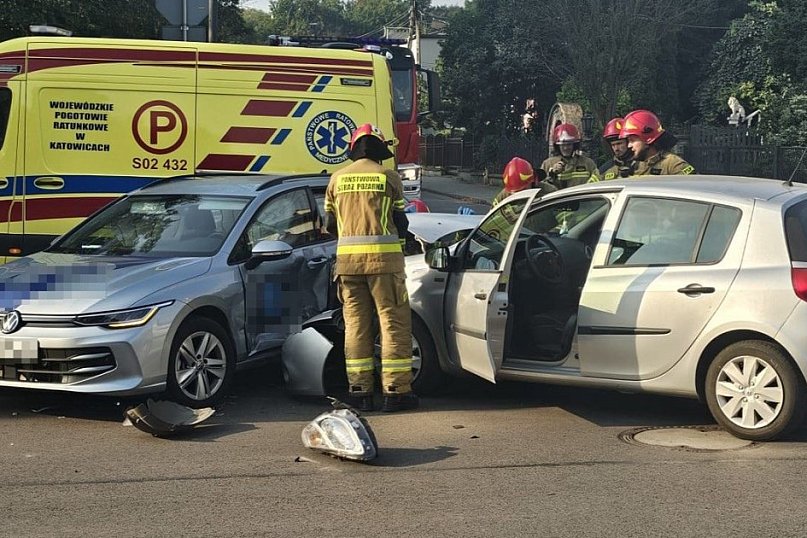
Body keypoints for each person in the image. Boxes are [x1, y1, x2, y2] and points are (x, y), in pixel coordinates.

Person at [323, 123, 417, 413]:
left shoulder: (337, 179)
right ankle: (395, 391)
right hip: (385, 264)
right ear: (378, 148)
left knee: (356, 326)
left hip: (348, 267)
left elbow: (328, 226)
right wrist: (403, 244)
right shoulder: (387, 177)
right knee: (393, 324)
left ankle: (360, 391)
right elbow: (401, 221)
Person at [620, 110, 695, 176]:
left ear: (648, 139)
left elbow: (692, 188)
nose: (629, 146)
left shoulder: (674, 165)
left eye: (632, 140)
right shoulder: (634, 166)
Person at [541, 123, 600, 189]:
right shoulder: (548, 164)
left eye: (569, 144)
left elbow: (596, 184)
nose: (566, 148)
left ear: (574, 145)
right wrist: (552, 175)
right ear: (557, 146)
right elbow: (541, 189)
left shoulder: (588, 163)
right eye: (562, 145)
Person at [491, 156, 557, 207]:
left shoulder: (549, 193)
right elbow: (492, 220)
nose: (520, 194)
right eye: (515, 192)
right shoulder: (501, 199)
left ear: (533, 181)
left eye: (524, 189)